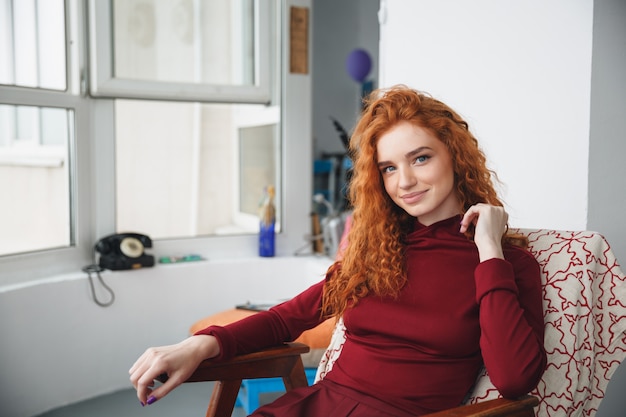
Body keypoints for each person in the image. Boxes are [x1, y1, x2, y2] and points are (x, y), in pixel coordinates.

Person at [129, 85, 547, 416]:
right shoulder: (379, 251)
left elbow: (513, 379)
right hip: (316, 405)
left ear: (455, 157)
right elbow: (285, 319)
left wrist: (489, 248)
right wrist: (200, 345)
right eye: (388, 168)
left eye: (420, 158)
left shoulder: (508, 265)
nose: (404, 182)